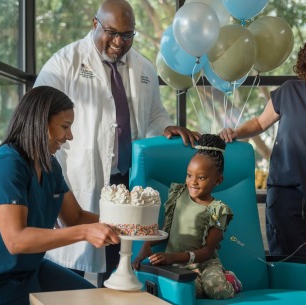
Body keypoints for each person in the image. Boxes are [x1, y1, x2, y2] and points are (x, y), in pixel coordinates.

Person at [33, 0, 198, 286]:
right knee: (69, 265)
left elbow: (156, 113)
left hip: (124, 180)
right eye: (112, 32)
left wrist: (165, 126)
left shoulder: (144, 68)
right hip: (79, 177)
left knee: (118, 260)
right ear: (95, 24)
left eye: (128, 35)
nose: (120, 42)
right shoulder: (65, 62)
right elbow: (37, 116)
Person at [0, 86, 120, 305]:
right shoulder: (6, 164)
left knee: (96, 301)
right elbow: (16, 240)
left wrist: (130, 225)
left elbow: (76, 217)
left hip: (30, 269)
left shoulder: (50, 165)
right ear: (41, 122)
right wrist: (85, 233)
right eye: (65, 126)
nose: (69, 136)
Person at [219, 34, 306, 256]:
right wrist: (235, 132)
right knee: (288, 264)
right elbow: (259, 122)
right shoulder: (289, 91)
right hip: (287, 198)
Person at [132, 134, 242, 299]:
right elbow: (166, 230)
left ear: (218, 180)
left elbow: (207, 251)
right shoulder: (178, 194)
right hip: (178, 265)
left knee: (216, 289)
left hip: (205, 263)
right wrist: (148, 244)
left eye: (201, 177)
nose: (193, 182)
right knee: (189, 291)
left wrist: (171, 257)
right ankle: (199, 281)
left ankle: (230, 280)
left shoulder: (219, 210)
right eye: (189, 175)